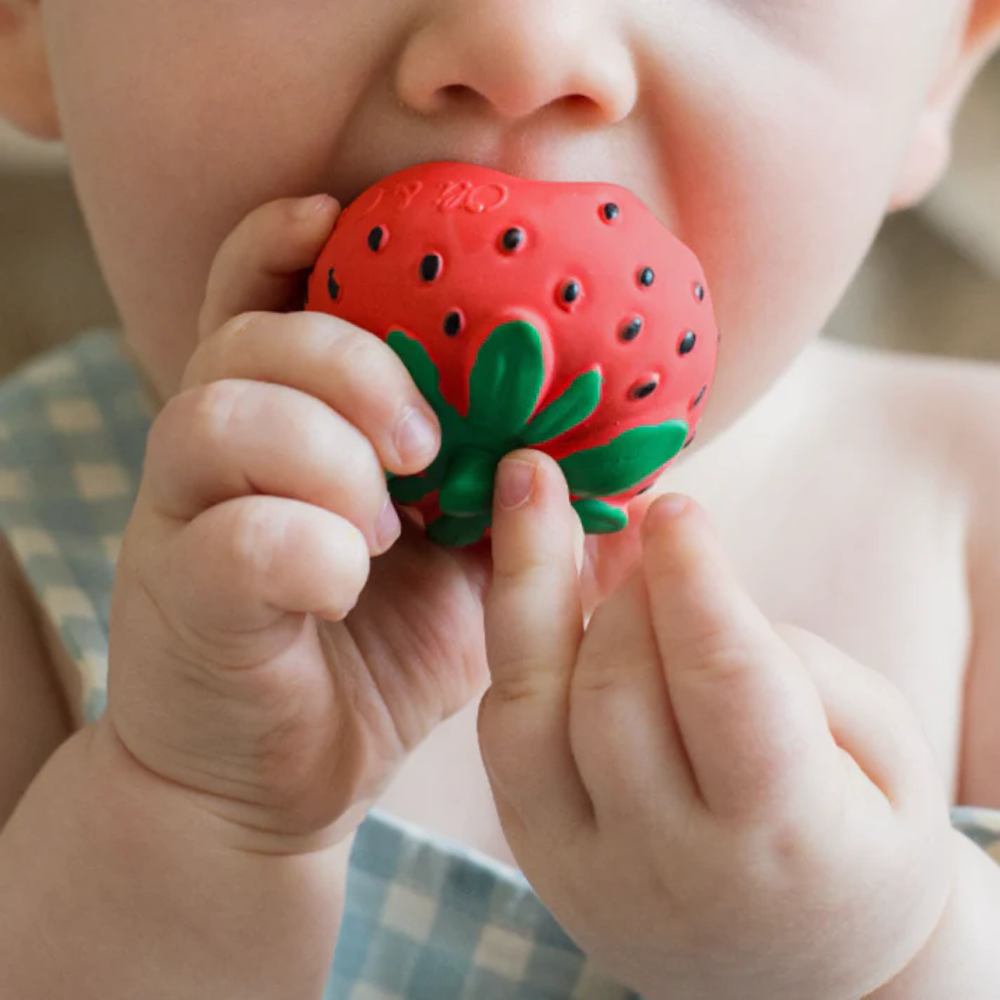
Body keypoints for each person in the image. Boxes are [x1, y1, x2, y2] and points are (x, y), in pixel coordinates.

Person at [1, 0, 1000, 995]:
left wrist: (898, 952)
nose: (525, 46)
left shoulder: (974, 533)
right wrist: (198, 808)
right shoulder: (22, 563)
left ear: (939, 72)